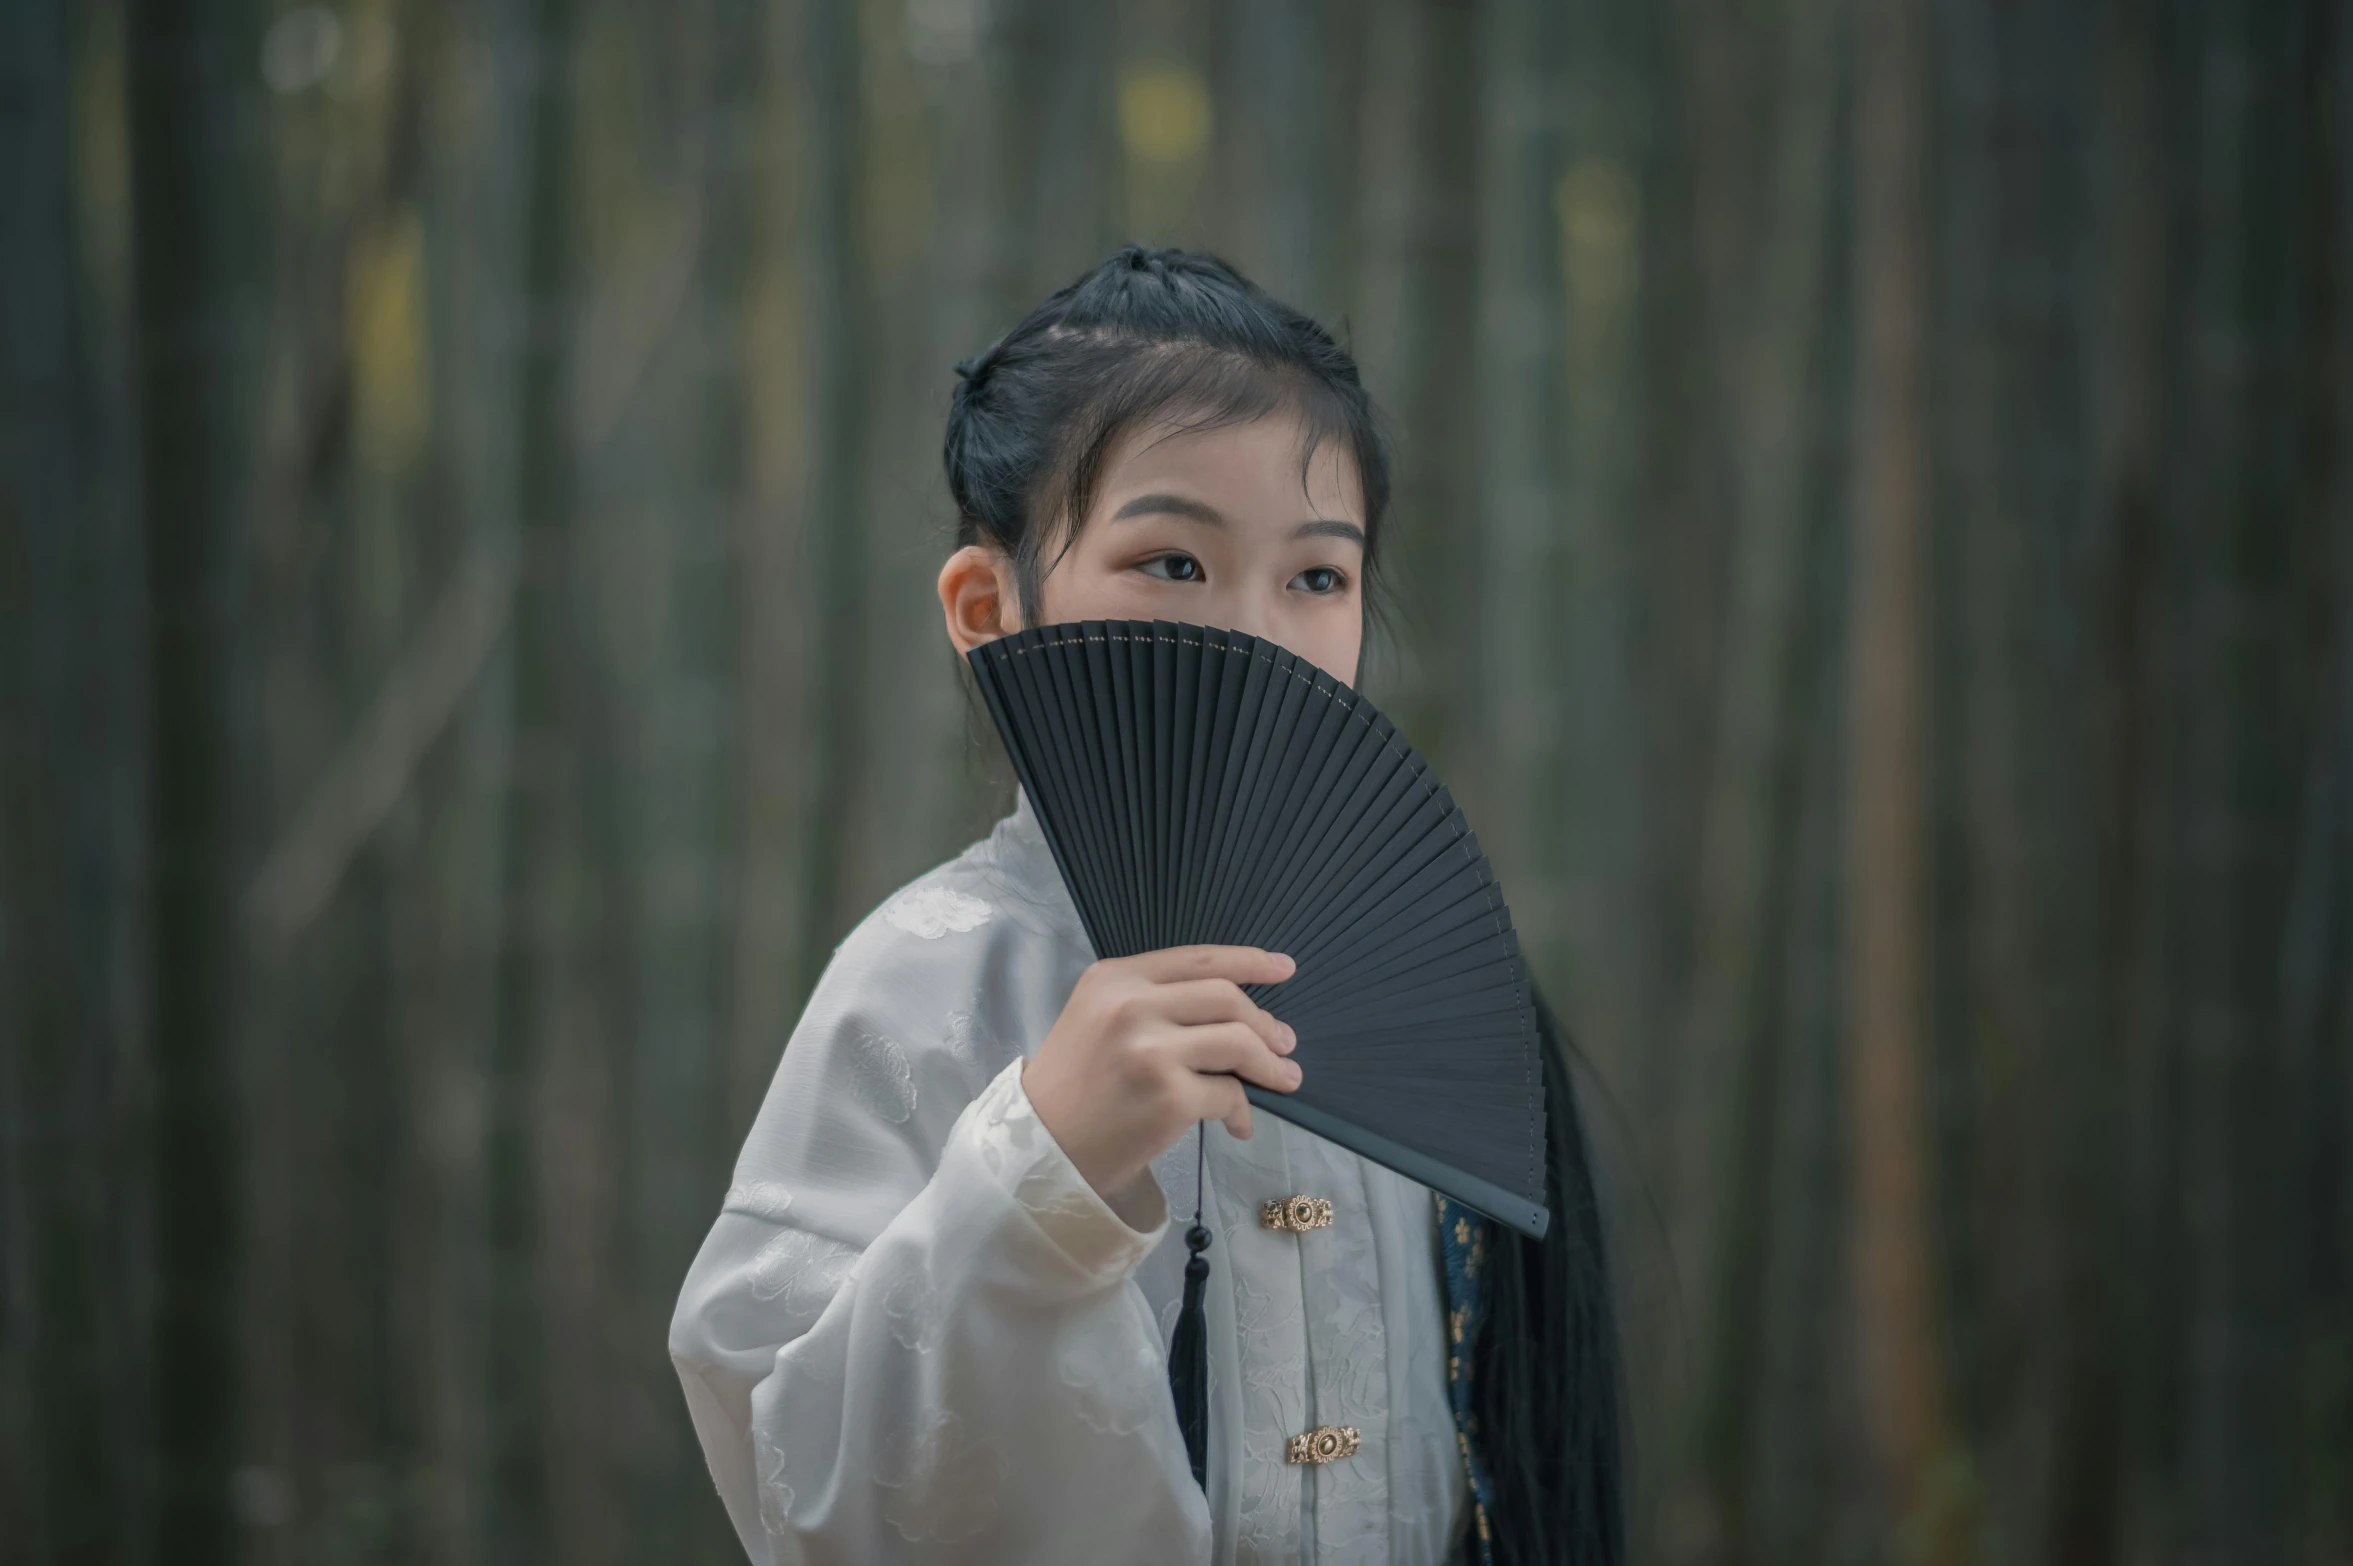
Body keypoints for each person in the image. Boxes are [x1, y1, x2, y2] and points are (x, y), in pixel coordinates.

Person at [669, 245, 1623, 1565]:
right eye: (1171, 562)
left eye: (1317, 576)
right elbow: (801, 1479)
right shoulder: (930, 980)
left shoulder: (1427, 999)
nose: (1253, 635)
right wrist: (1041, 1164)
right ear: (989, 604)